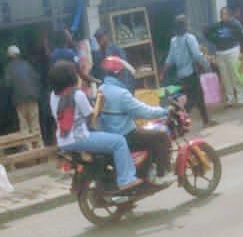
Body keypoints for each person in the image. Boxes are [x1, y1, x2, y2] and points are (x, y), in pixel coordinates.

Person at [49, 61, 140, 191]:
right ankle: (126, 179)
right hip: (80, 138)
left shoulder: (53, 96)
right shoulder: (78, 95)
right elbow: (92, 116)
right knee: (119, 141)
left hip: (63, 141)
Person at [96, 56, 171, 185]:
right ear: (119, 74)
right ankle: (161, 175)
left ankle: (147, 170)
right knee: (161, 136)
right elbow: (144, 112)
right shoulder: (121, 93)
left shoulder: (101, 89)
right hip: (126, 135)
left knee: (148, 134)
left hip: (110, 134)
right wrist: (164, 111)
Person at [163, 14, 213, 126]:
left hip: (181, 75)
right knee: (193, 99)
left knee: (198, 97)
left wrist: (163, 73)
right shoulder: (189, 38)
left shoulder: (173, 41)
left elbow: (170, 59)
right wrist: (207, 66)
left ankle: (206, 120)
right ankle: (177, 119)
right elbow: (197, 56)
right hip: (191, 74)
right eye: (188, 23)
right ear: (185, 25)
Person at [207, 8, 243, 106]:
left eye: (224, 14)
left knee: (236, 75)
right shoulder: (217, 26)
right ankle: (230, 99)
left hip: (233, 50)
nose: (222, 16)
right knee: (225, 77)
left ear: (229, 15)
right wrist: (215, 40)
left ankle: (241, 98)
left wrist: (242, 52)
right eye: (221, 14)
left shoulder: (234, 24)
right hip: (220, 53)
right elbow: (206, 32)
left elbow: (242, 38)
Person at [4, 46, 42, 137]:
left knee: (24, 124)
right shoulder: (27, 64)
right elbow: (37, 78)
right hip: (32, 96)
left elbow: (8, 84)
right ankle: (39, 145)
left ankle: (29, 147)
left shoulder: (9, 68)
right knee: (34, 122)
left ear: (9, 57)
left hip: (19, 99)